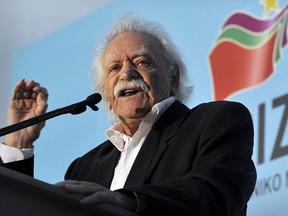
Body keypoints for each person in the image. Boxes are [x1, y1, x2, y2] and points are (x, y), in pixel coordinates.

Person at [0, 15, 256, 215]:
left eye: (142, 62)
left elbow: (215, 195)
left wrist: (128, 200)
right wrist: (19, 142)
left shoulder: (215, 121)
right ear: (108, 96)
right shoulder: (84, 168)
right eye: (114, 68)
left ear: (173, 76)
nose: (127, 73)